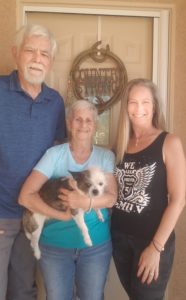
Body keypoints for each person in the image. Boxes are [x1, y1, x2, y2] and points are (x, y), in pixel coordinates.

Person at [18, 100, 118, 300]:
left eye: (88, 120)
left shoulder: (105, 156)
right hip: (55, 247)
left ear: (95, 125)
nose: (83, 125)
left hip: (95, 248)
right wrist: (61, 216)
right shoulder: (54, 155)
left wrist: (83, 203)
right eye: (78, 119)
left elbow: (111, 199)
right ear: (69, 122)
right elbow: (25, 196)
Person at [0, 24, 66, 300]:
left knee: (23, 290)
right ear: (16, 54)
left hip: (34, 214)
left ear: (50, 61)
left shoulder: (55, 102)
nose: (37, 59)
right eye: (30, 51)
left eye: (44, 54)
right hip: (1, 214)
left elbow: (59, 154)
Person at [111, 78, 186, 300]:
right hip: (119, 238)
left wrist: (156, 247)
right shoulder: (120, 145)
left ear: (154, 106)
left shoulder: (169, 142)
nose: (139, 108)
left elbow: (178, 199)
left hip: (152, 240)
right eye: (133, 102)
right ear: (126, 107)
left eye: (145, 102)